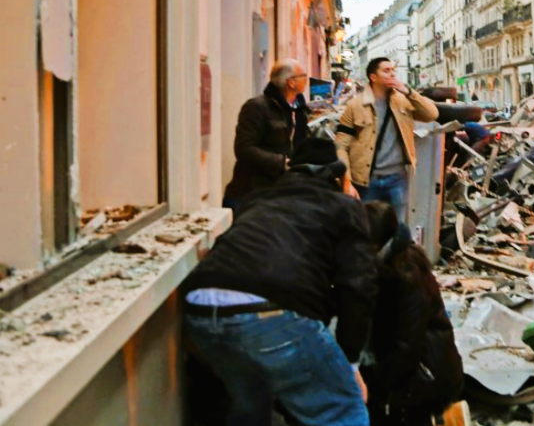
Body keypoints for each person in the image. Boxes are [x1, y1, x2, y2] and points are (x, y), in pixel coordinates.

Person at [182, 137, 378, 426]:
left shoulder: (258, 200)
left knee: (251, 406)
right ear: (339, 178)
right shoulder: (344, 206)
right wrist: (350, 363)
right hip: (270, 312)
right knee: (343, 411)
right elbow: (358, 286)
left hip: (199, 308)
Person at [361, 202, 464, 426]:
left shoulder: (407, 275)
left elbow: (406, 346)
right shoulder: (387, 263)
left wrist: (374, 387)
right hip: (413, 367)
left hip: (427, 373)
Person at [335, 57, 439, 221]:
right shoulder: (355, 105)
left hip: (396, 178)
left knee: (398, 227)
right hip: (365, 180)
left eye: (393, 70)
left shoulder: (403, 101)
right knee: (365, 227)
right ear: (373, 77)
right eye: (386, 70)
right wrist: (346, 181)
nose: (392, 74)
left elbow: (431, 114)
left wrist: (408, 91)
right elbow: (341, 145)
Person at [223, 59, 311, 210]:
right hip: (251, 194)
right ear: (291, 83)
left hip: (282, 192)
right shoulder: (257, 107)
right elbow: (244, 148)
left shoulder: (298, 110)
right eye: (303, 76)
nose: (306, 80)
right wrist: (282, 163)